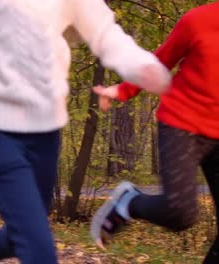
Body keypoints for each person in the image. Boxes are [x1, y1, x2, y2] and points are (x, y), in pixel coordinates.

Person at [0, 1, 171, 263]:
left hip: (46, 132)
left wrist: (140, 66)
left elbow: (105, 33)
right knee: (39, 250)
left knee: (25, 230)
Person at [90, 2, 219, 263]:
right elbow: (161, 60)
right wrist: (123, 90)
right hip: (182, 123)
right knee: (180, 213)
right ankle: (129, 202)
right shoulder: (198, 21)